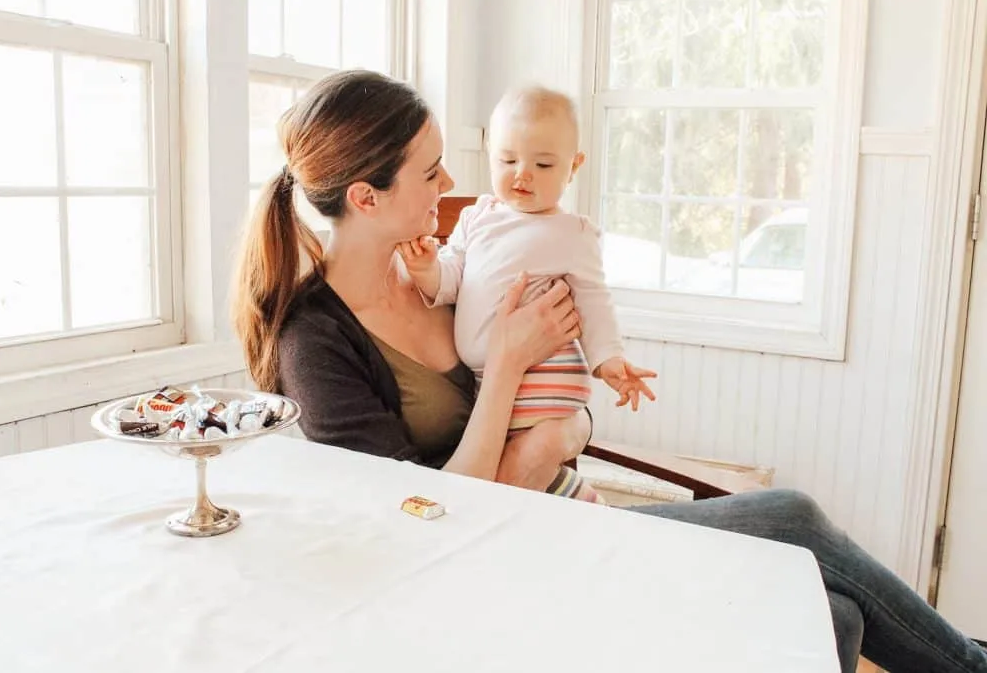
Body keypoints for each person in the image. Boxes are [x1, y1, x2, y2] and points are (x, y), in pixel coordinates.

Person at [232, 69, 987, 673]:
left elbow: (562, 381)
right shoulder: (316, 342)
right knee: (788, 517)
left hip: (549, 511)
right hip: (480, 564)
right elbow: (415, 524)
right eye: (430, 172)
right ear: (366, 197)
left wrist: (567, 424)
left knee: (835, 616)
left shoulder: (436, 273)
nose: (452, 181)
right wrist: (510, 379)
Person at [397, 85, 655, 506]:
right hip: (491, 386)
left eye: (543, 163)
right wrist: (427, 268)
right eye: (508, 159)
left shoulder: (572, 232)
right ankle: (582, 501)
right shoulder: (476, 217)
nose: (523, 174)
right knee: (518, 481)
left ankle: (582, 506)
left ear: (574, 167)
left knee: (512, 477)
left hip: (545, 381)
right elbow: (450, 279)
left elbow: (593, 300)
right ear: (489, 152)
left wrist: (609, 359)